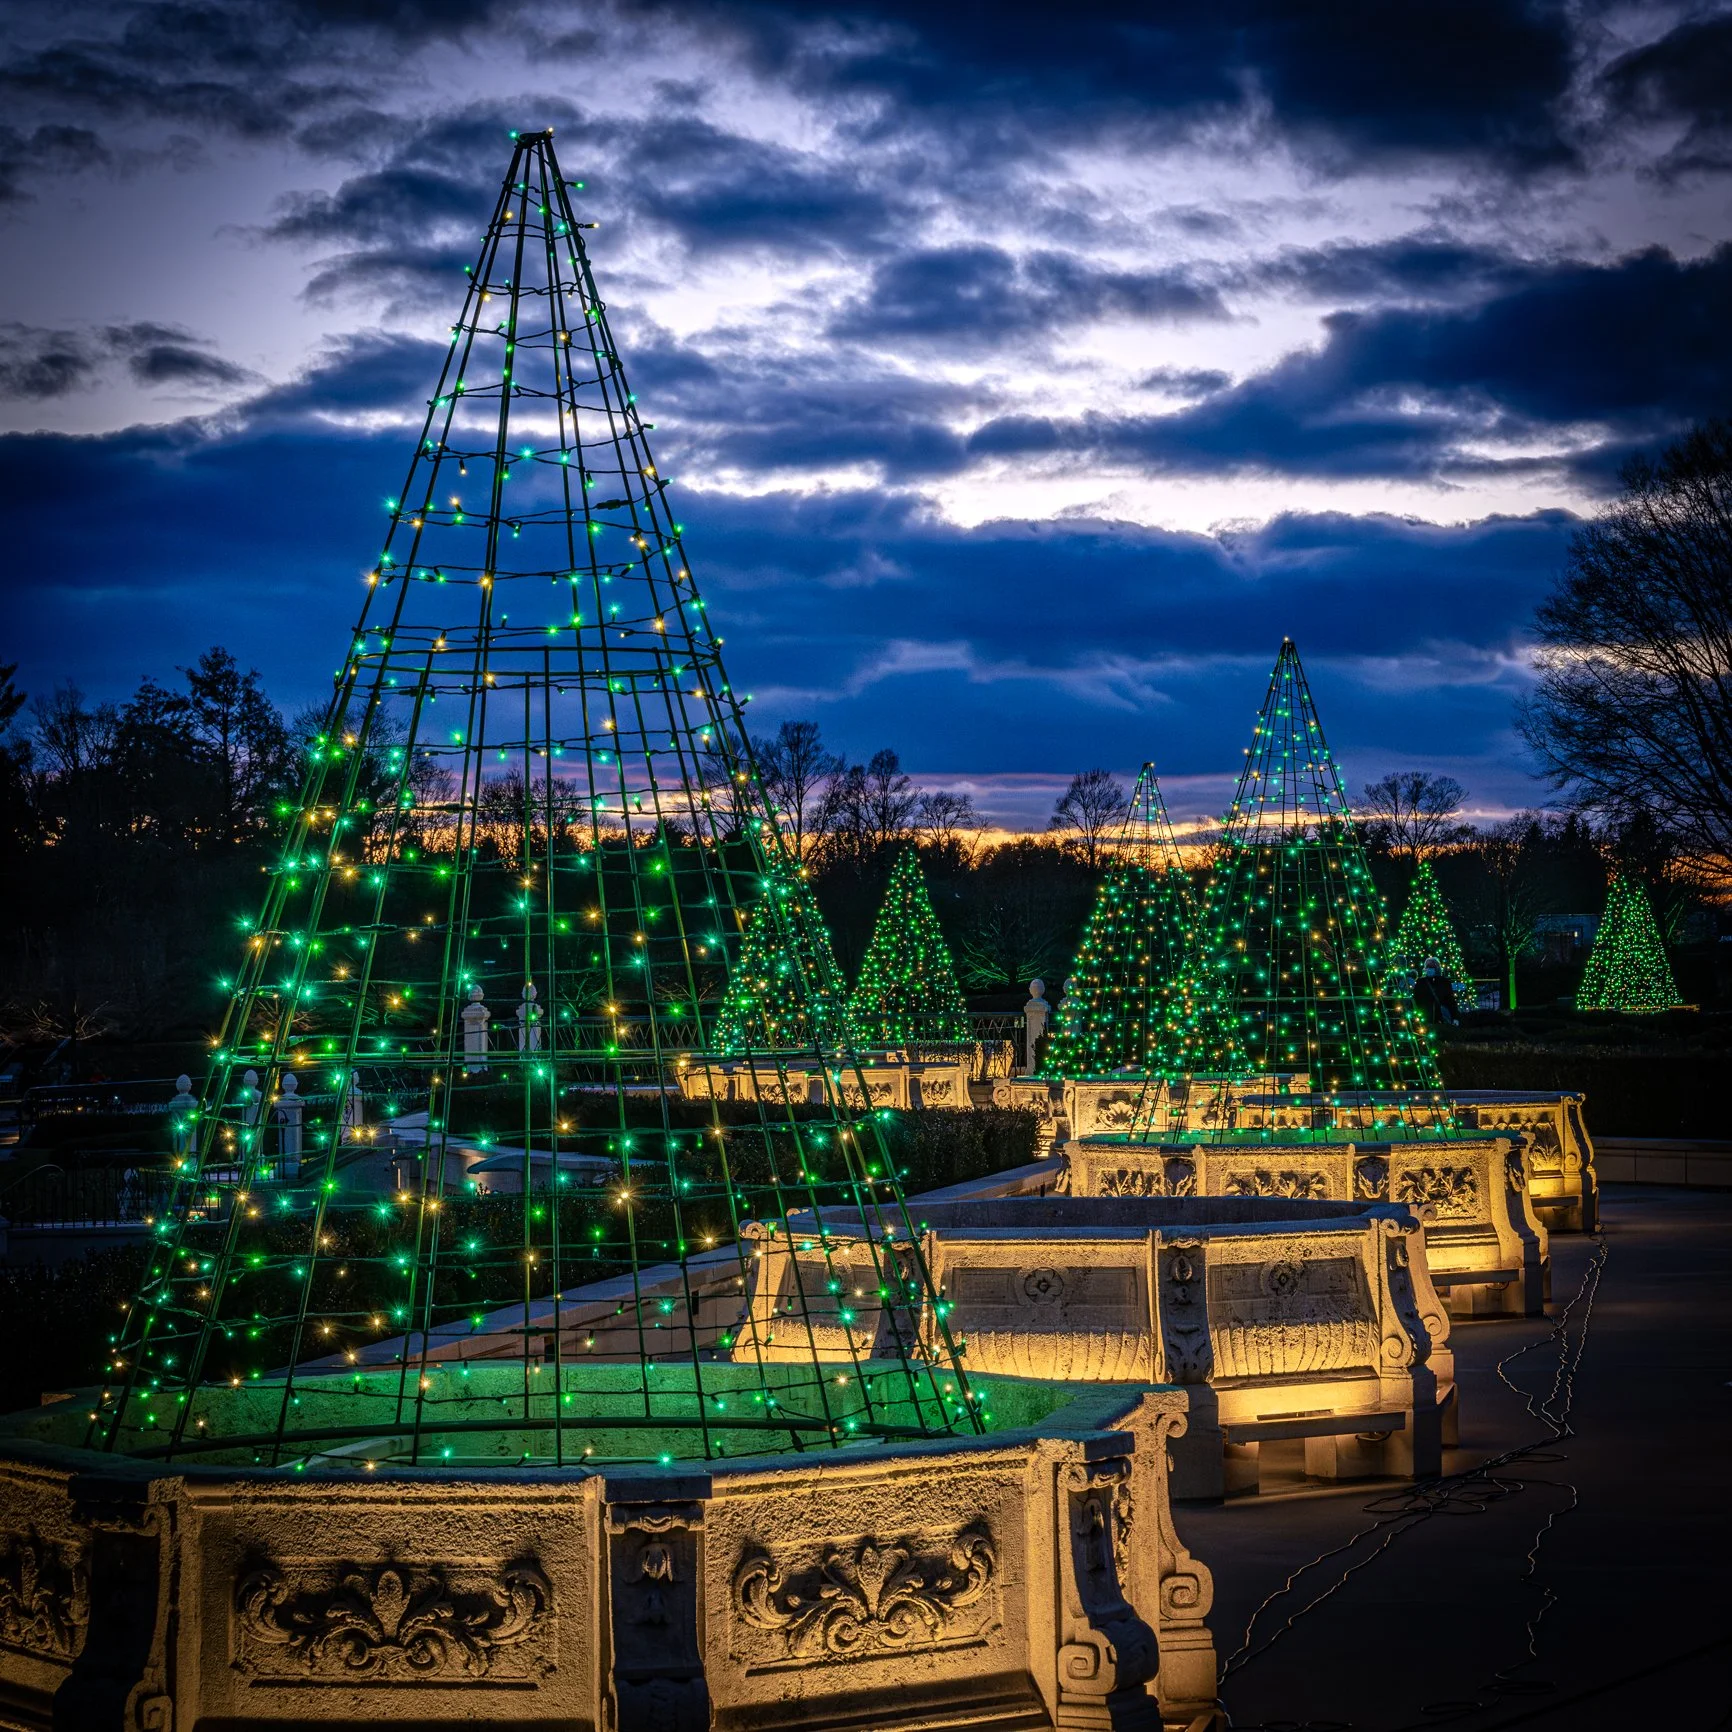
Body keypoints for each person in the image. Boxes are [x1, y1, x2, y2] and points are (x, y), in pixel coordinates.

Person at [1412, 956, 1459, 1031]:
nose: (1429, 969)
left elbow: (1450, 1001)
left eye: (1431, 967)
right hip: (1426, 1018)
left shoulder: (1444, 982)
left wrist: (1455, 1017)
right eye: (1427, 967)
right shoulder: (1421, 982)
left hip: (1439, 1018)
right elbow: (1416, 999)